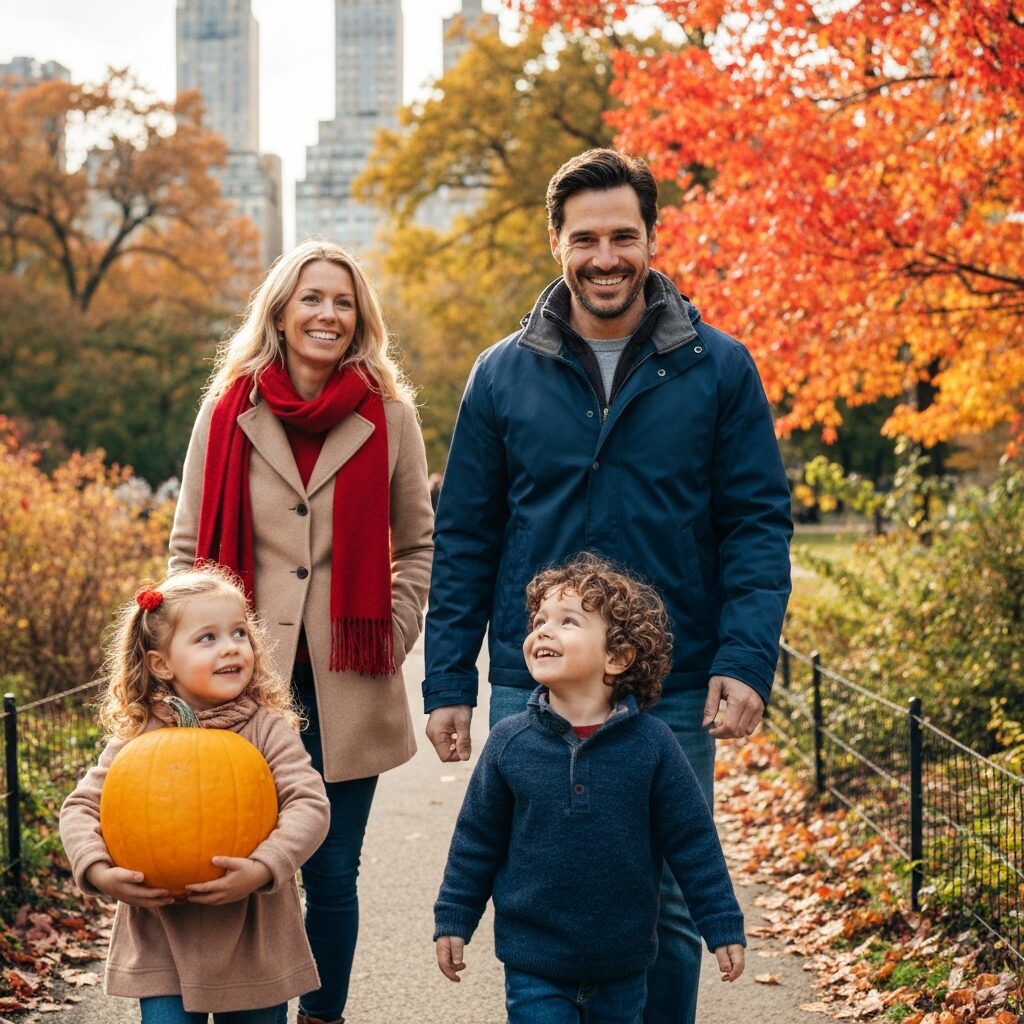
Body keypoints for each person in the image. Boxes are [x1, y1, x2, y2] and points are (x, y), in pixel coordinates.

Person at [423, 148, 792, 1023]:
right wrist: (447, 685)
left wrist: (744, 658)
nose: (605, 256)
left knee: (664, 899)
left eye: (624, 235)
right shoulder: (500, 373)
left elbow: (755, 525)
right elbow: (467, 537)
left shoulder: (718, 366)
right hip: (533, 679)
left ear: (652, 238)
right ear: (556, 242)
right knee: (540, 886)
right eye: (585, 237)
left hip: (671, 681)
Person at [168, 240, 434, 1024]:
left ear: (361, 321)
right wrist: (186, 656)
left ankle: (324, 1017)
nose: (328, 314)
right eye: (312, 298)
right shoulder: (227, 412)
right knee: (248, 863)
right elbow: (188, 550)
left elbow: (418, 544)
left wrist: (393, 628)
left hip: (350, 677)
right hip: (239, 681)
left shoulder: (389, 414)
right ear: (281, 310)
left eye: (343, 302)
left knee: (334, 873)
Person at [433, 555, 746, 1023]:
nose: (543, 631)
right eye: (539, 621)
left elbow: (692, 841)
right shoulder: (509, 743)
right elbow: (476, 841)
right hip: (533, 960)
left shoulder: (653, 745)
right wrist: (454, 919)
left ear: (616, 657)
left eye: (568, 621)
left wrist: (721, 925)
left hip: (622, 963)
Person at [60, 567, 331, 1023]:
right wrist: (99, 870)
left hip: (253, 938)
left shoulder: (265, 728)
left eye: (239, 633)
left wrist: (265, 866)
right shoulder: (138, 737)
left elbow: (309, 804)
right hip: (163, 935)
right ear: (161, 664)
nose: (230, 647)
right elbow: (81, 807)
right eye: (207, 638)